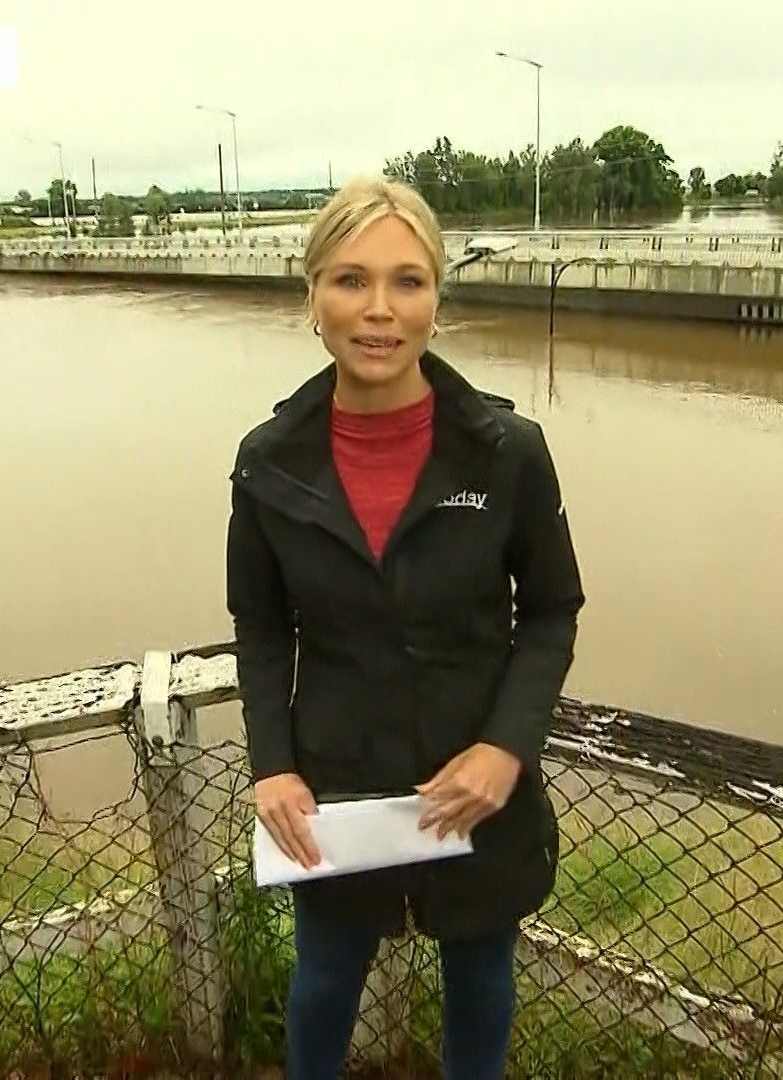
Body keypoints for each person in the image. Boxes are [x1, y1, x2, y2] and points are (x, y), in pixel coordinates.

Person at [225, 176, 585, 1080]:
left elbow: (551, 611)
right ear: (312, 294)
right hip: (338, 787)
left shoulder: (506, 453)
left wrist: (506, 749)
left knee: (481, 980)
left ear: (437, 298)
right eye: (351, 280)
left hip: (474, 787)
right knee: (323, 982)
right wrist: (273, 765)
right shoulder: (268, 465)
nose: (379, 309)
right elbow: (261, 628)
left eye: (407, 281)